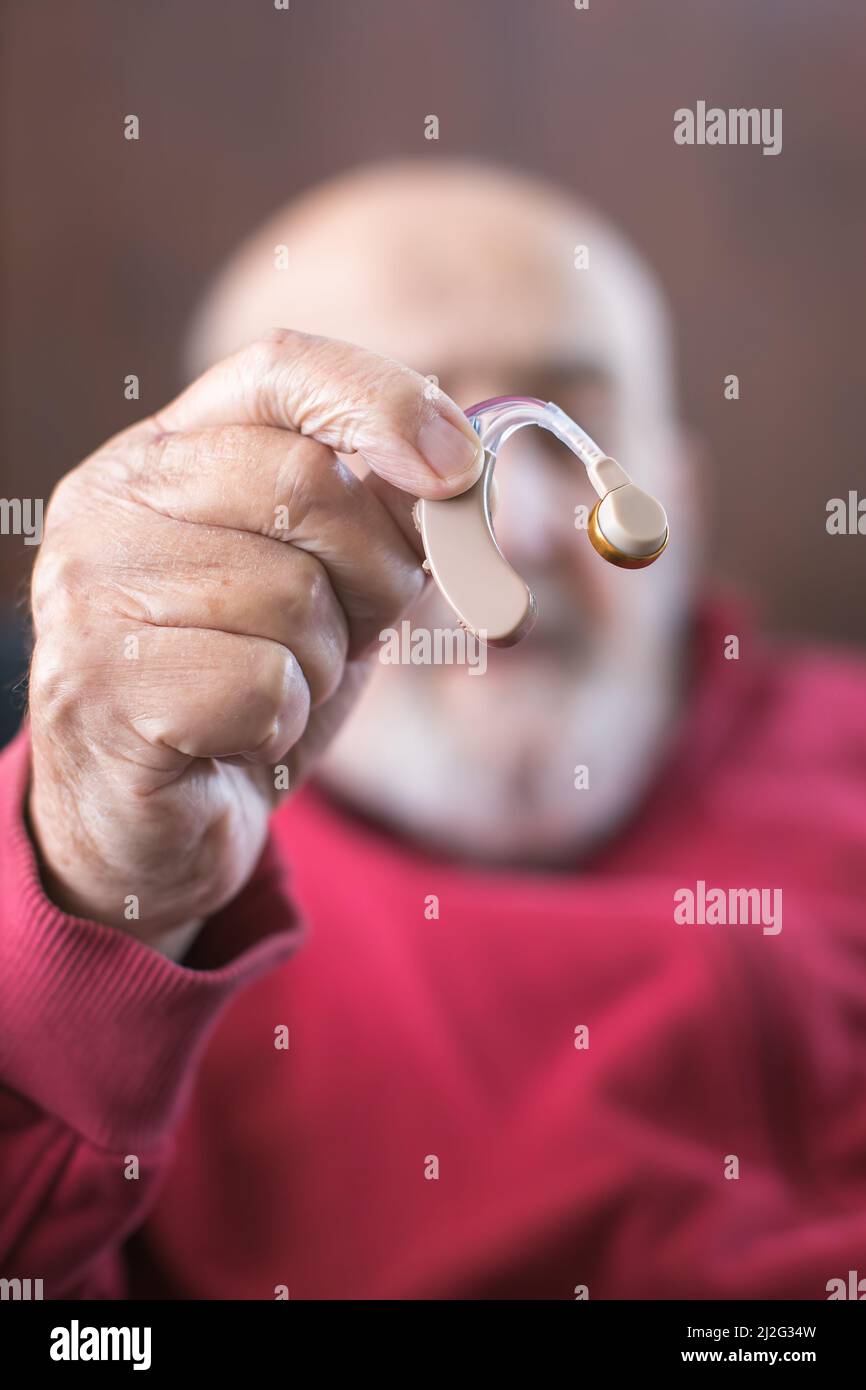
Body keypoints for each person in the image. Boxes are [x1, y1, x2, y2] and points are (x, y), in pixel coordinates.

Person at [2, 162, 865, 1301]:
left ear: (681, 497)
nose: (520, 532)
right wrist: (93, 891)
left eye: (581, 434)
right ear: (221, 545)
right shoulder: (117, 900)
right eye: (395, 463)